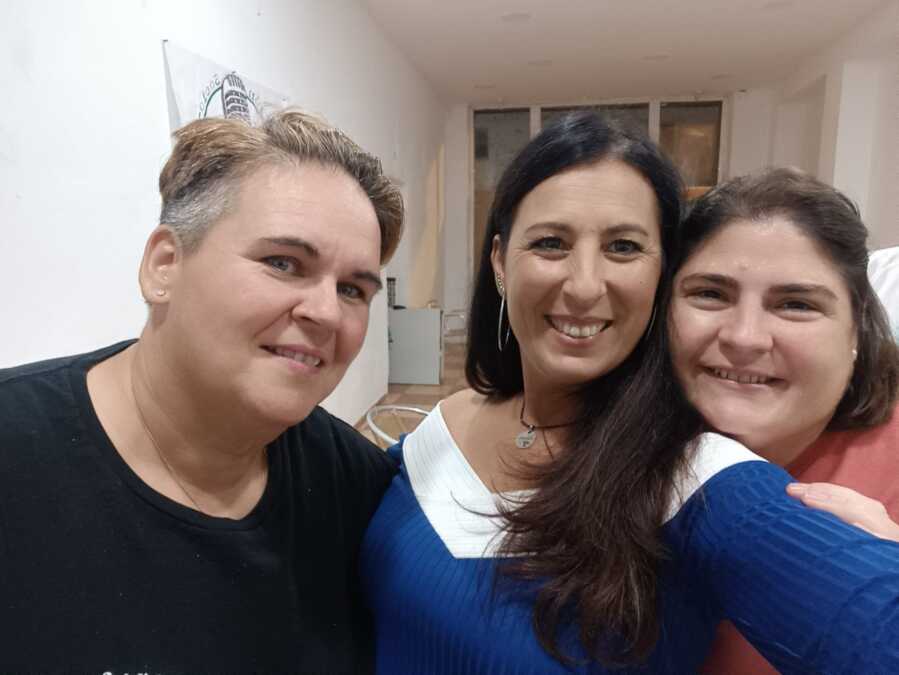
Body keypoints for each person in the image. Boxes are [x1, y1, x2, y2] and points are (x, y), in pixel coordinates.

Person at [360, 112, 899, 674]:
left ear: (661, 273)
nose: (584, 285)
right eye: (550, 243)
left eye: (622, 247)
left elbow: (871, 622)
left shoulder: (696, 476)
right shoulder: (447, 421)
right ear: (500, 261)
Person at [0, 109, 402, 674]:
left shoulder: (357, 488)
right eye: (283, 263)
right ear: (164, 265)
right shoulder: (16, 454)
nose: (327, 313)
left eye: (353, 290)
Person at [664, 168, 899, 675]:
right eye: (711, 294)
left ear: (856, 327)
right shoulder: (614, 449)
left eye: (796, 304)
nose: (744, 337)